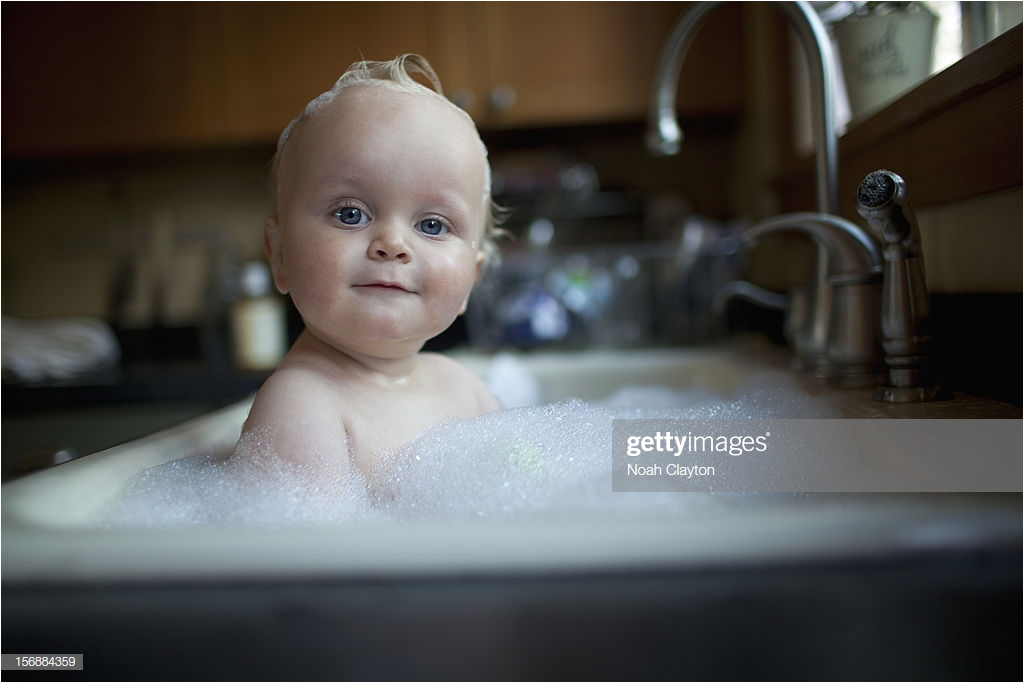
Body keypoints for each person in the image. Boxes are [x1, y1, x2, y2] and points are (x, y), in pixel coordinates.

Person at [237, 54, 502, 480]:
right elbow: (301, 546)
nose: (393, 245)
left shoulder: (465, 388)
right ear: (279, 255)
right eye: (350, 214)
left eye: (432, 224)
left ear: (473, 278)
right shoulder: (302, 408)